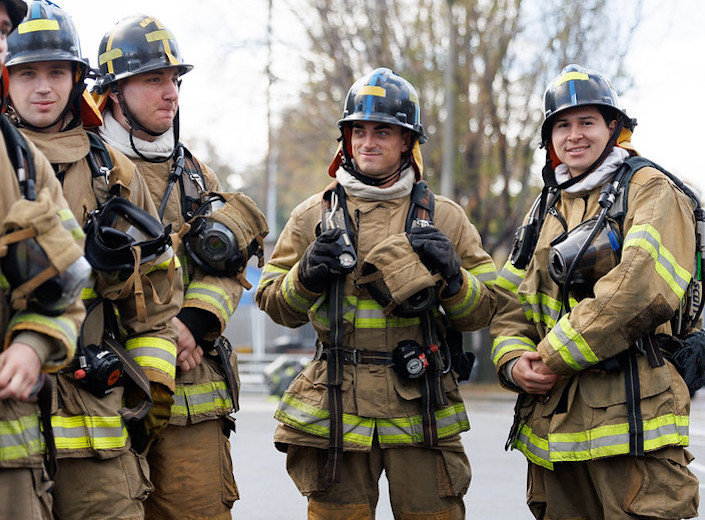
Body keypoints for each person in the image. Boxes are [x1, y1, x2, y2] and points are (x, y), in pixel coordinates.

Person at [256, 67, 497, 519]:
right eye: (357, 131)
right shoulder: (312, 215)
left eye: (383, 131)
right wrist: (304, 276)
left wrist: (455, 278)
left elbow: (484, 311)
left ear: (407, 141)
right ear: (345, 139)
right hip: (336, 405)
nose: (368, 142)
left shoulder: (444, 218)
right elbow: (274, 304)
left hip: (421, 406)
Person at [490, 64, 700, 519]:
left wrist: (548, 357)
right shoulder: (545, 206)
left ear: (614, 127)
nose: (574, 136)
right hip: (553, 433)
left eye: (587, 122)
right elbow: (509, 304)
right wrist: (512, 364)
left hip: (633, 425)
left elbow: (636, 290)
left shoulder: (650, 190)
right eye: (562, 125)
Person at [5, 2, 185, 518]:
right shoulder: (2, 159)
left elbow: (156, 298)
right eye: (27, 72)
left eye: (57, 71)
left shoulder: (113, 172)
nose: (44, 87)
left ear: (79, 78)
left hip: (96, 413)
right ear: (6, 77)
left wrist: (151, 391)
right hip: (10, 406)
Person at [92, 14, 268, 520]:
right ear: (114, 92)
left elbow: (231, 263)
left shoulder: (195, 173)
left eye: (174, 80)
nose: (170, 93)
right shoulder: (87, 166)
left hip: (194, 391)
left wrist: (195, 323)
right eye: (154, 80)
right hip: (107, 388)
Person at [0, 1, 88, 518]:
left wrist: (33, 344)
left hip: (9, 454)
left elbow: (69, 285)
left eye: (3, 30)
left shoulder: (19, 160)